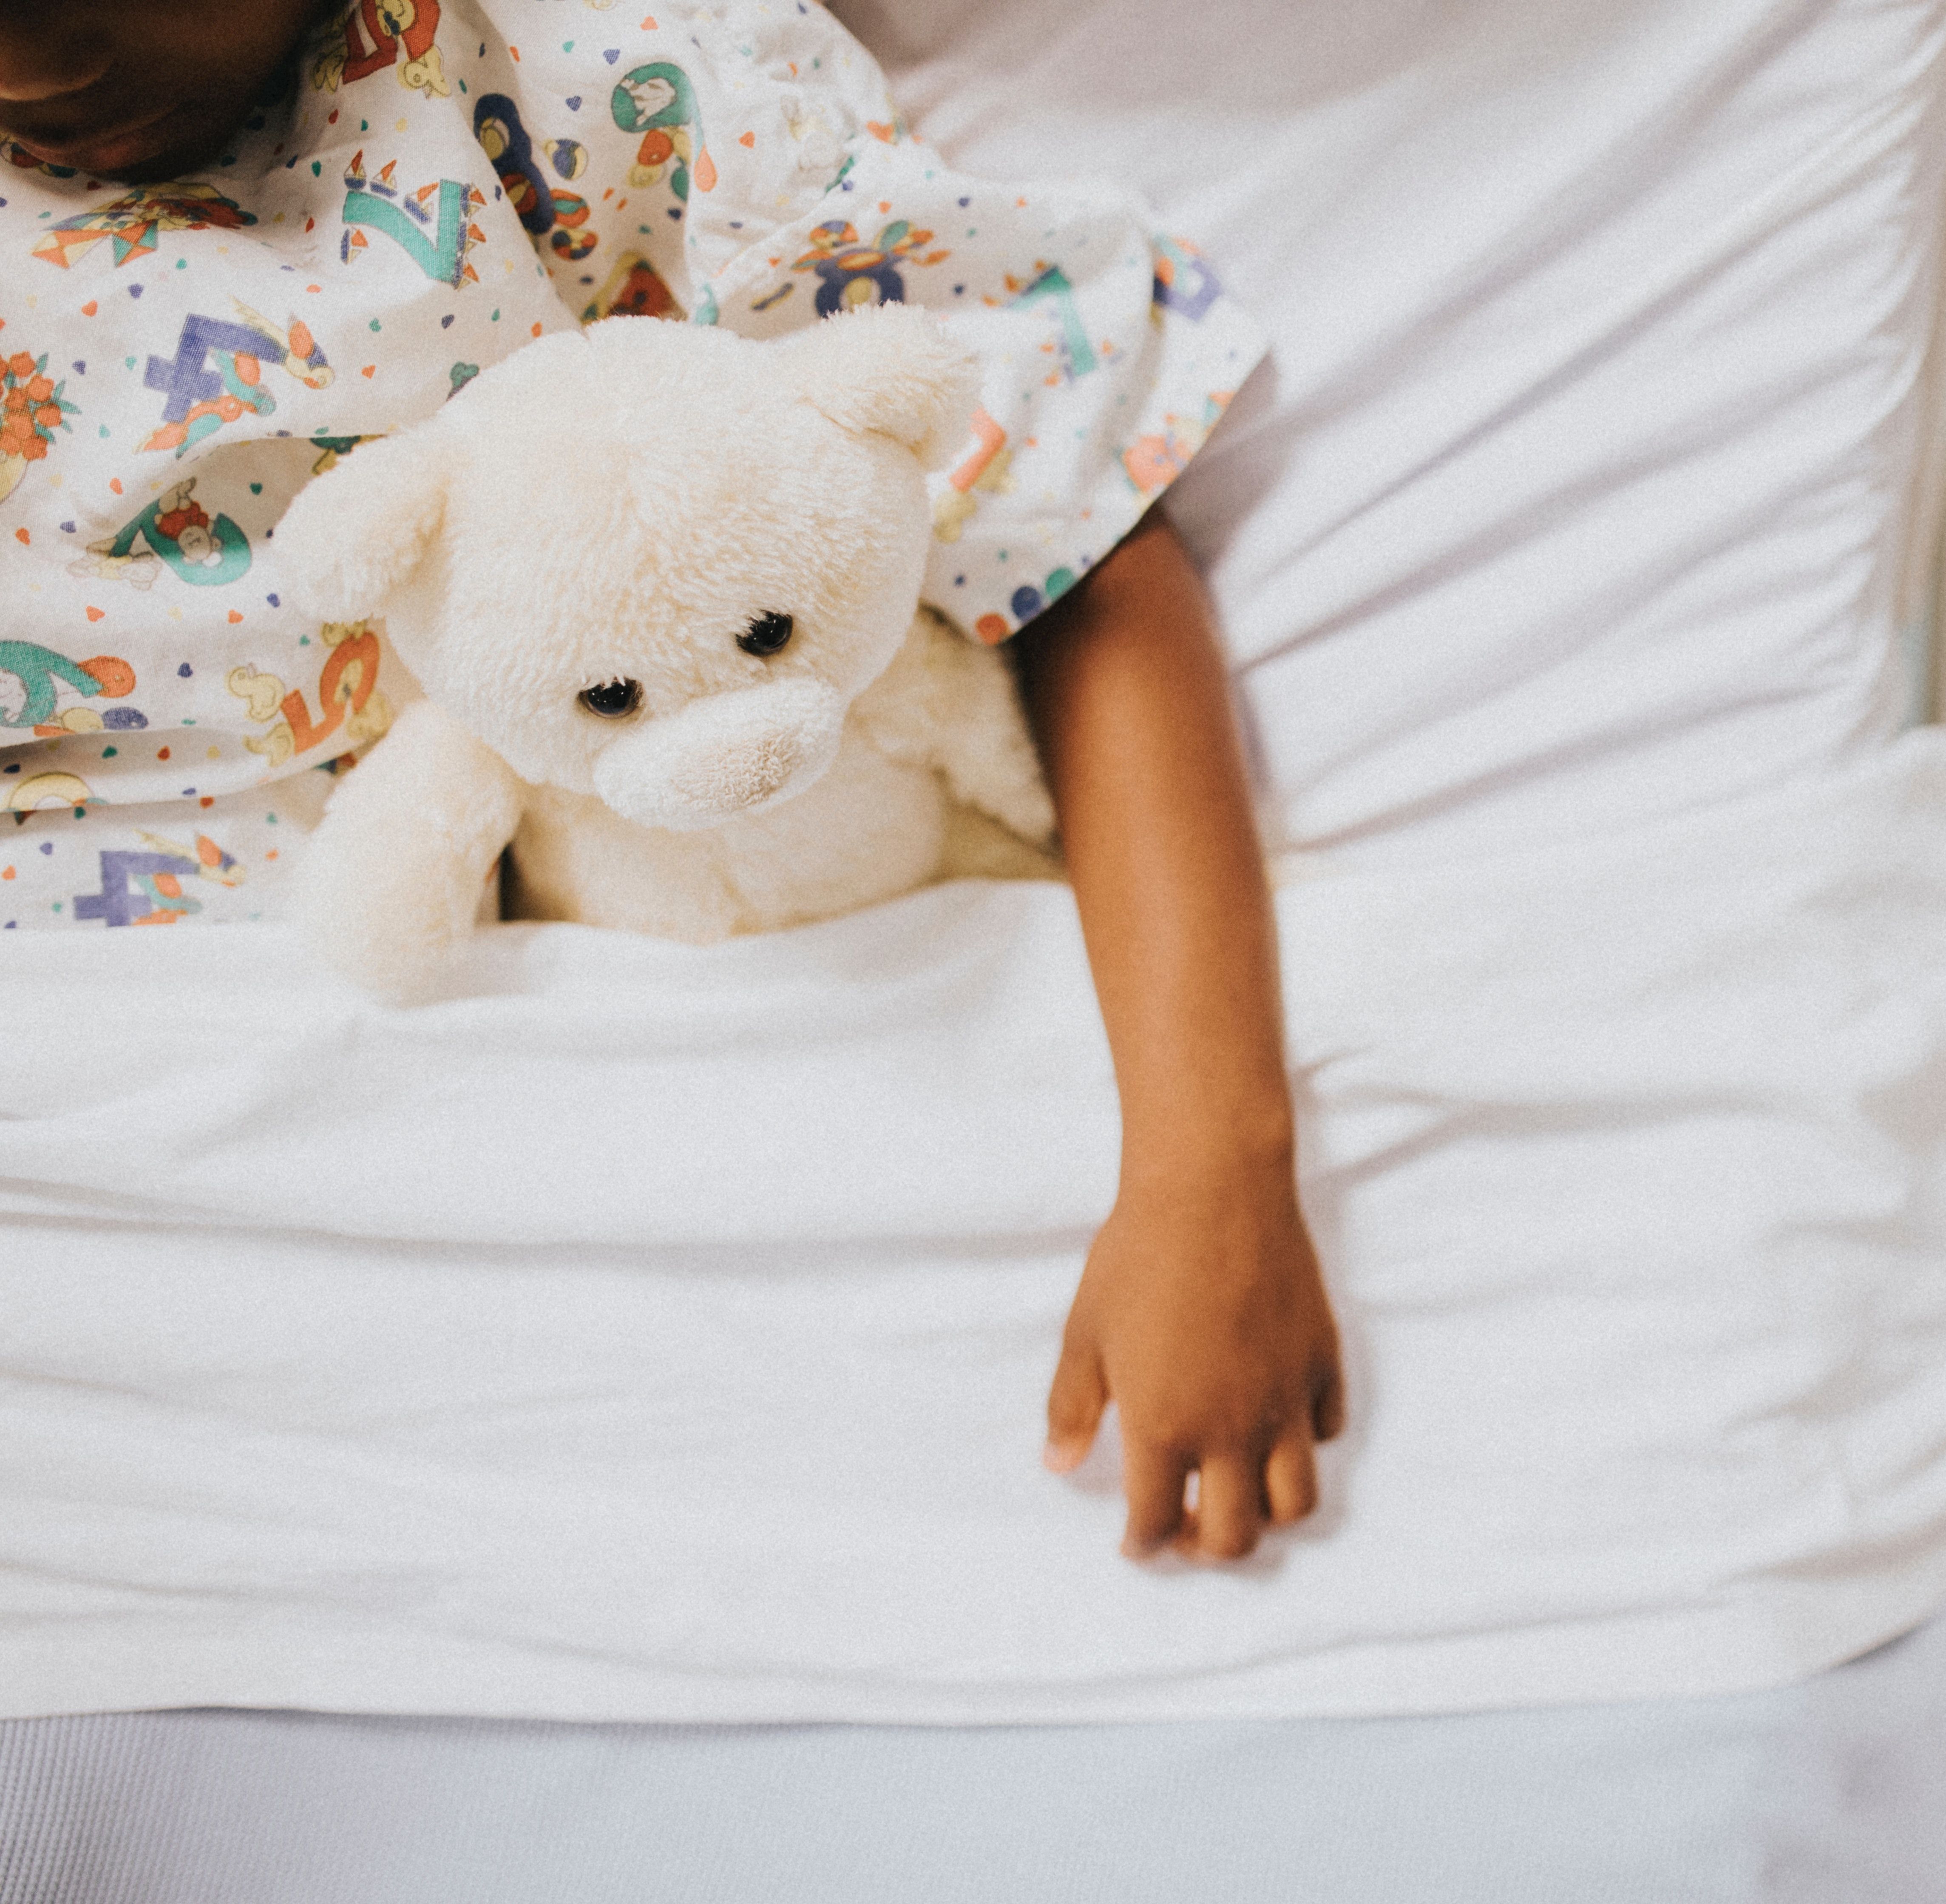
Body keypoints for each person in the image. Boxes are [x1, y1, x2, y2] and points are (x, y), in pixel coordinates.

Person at [0, 0, 1342, 1566]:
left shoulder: (617, 78)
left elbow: (1067, 531)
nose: (33, 60)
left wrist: (1209, 1165)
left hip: (688, 1060)